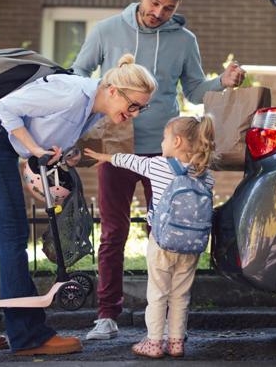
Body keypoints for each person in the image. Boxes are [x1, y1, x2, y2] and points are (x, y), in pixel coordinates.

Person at [0, 54, 157, 355]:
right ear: (112, 90)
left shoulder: (92, 110)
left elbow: (48, 130)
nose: (134, 113)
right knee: (13, 234)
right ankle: (28, 335)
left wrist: (68, 154)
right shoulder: (71, 93)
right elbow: (6, 108)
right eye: (132, 105)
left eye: (141, 108)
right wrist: (35, 150)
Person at [72, 0, 244, 341]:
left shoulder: (184, 40)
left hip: (167, 150)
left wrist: (223, 82)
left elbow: (196, 91)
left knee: (164, 234)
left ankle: (163, 315)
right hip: (116, 145)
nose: (158, 12)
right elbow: (79, 72)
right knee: (114, 232)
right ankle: (106, 315)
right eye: (154, 3)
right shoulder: (106, 31)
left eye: (168, 8)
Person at [84, 115, 216, 358]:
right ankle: (176, 342)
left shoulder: (158, 165)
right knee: (180, 295)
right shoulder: (206, 175)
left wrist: (106, 157)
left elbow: (130, 161)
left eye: (164, 138)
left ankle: (154, 342)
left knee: (158, 293)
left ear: (176, 141)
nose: (161, 143)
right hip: (192, 246)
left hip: (162, 242)